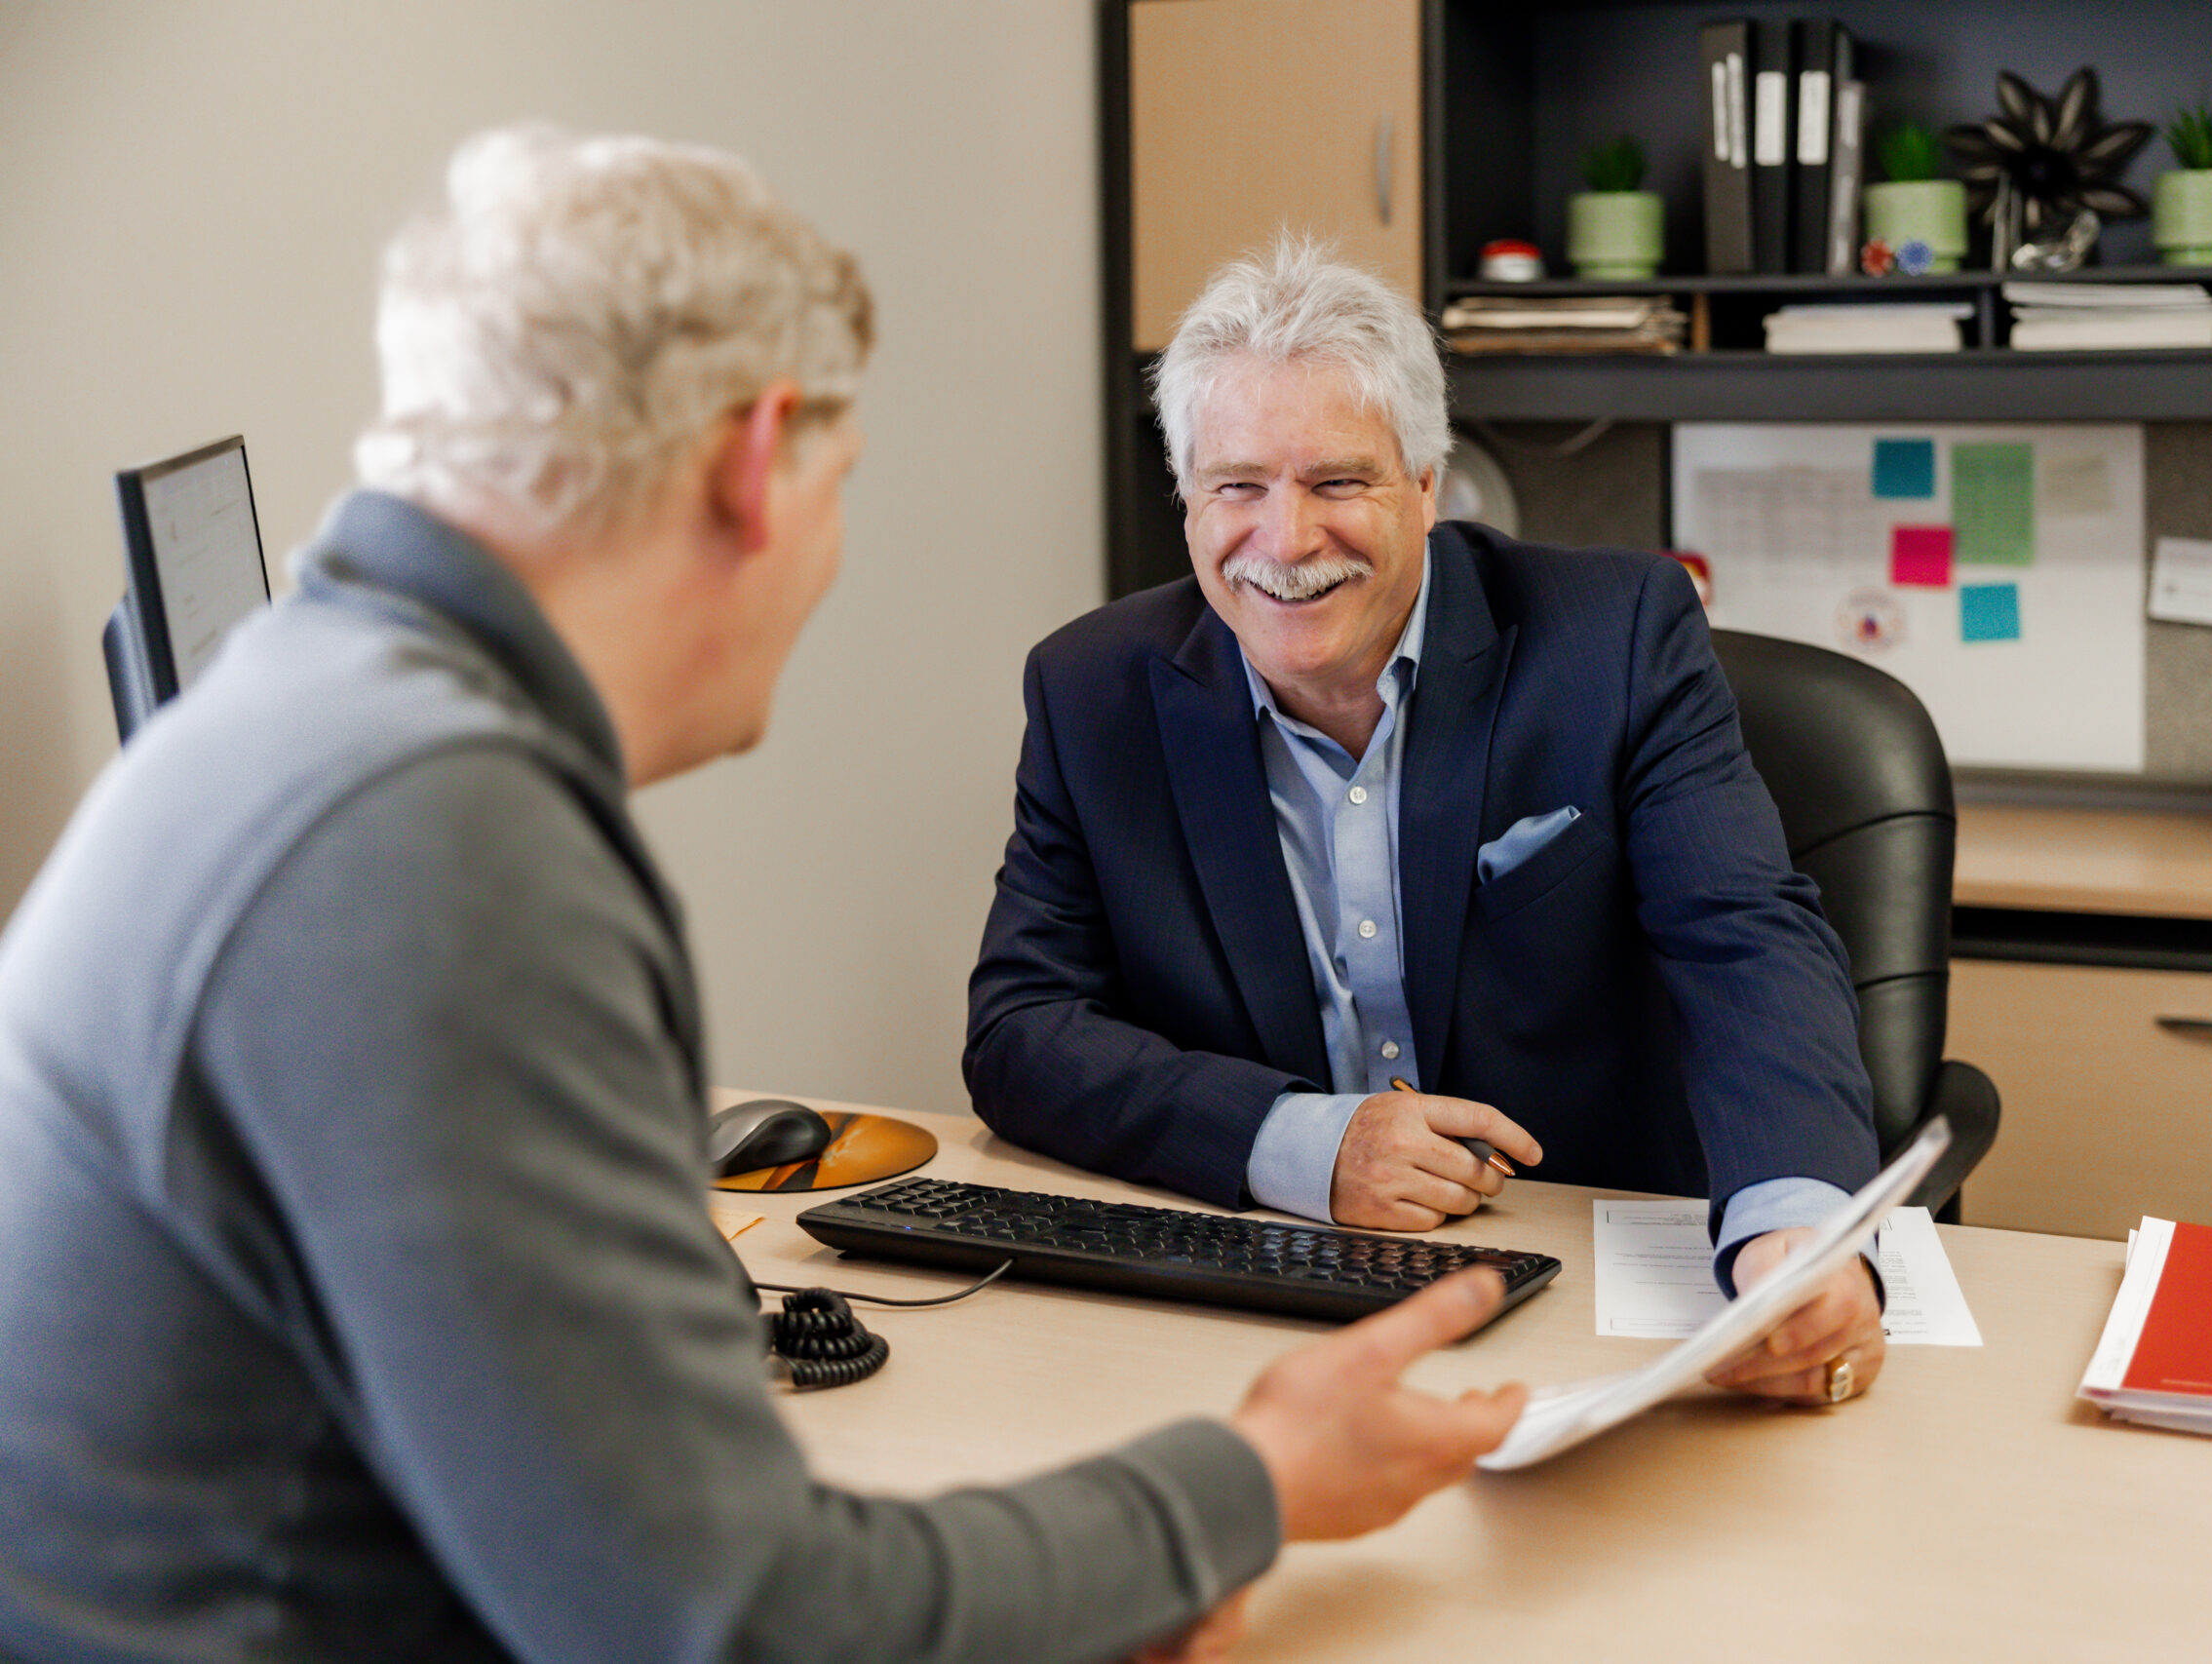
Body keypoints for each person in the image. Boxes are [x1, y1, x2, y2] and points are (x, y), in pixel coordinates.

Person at [0, 131, 1527, 1664]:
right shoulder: (436, 846)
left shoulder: (319, 713)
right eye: (842, 482)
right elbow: (733, 1616)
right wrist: (1248, 1480)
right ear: (753, 462)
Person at [967, 240, 1886, 1407]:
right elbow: (1020, 1027)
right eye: (1236, 486)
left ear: (1425, 485)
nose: (1285, 540)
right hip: (1275, 1303)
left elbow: (1745, 938)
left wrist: (1794, 1230)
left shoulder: (1616, 639)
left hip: (1591, 1295)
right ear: (1188, 500)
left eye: (1337, 483)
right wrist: (1303, 1143)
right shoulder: (1090, 690)